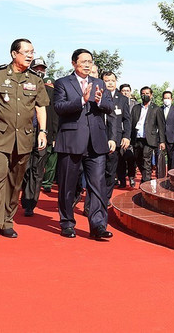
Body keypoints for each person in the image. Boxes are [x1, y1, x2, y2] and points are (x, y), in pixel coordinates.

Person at [0, 39, 48, 242]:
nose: (30, 55)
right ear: (14, 54)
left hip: (23, 137)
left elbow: (41, 107)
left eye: (32, 52)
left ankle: (7, 221)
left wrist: (43, 131)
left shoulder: (35, 79)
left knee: (15, 182)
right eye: (26, 52)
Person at [53, 48, 114, 240]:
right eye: (83, 61)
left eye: (90, 61)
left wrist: (99, 101)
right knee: (67, 185)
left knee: (98, 186)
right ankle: (67, 223)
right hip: (71, 141)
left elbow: (110, 107)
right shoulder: (62, 83)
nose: (87, 65)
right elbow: (59, 107)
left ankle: (98, 226)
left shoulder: (99, 83)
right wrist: (82, 100)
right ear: (73, 63)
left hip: (96, 142)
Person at [20, 57, 59, 216]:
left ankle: (30, 203)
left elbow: (55, 116)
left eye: (42, 69)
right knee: (24, 169)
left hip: (43, 135)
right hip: (24, 135)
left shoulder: (52, 92)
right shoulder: (23, 87)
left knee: (37, 171)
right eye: (37, 69)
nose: (40, 72)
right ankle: (23, 194)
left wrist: (54, 135)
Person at [101, 71, 131, 205]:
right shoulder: (98, 95)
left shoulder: (123, 99)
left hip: (116, 139)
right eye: (107, 80)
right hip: (99, 137)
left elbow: (127, 120)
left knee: (111, 170)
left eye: (112, 80)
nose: (110, 83)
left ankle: (106, 197)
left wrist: (126, 136)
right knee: (98, 169)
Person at [130, 86, 164, 183]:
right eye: (143, 94)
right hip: (137, 138)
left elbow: (161, 126)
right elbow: (132, 123)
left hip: (149, 139)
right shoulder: (136, 108)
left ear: (151, 95)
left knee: (146, 159)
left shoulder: (156, 109)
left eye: (147, 94)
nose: (145, 95)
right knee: (138, 159)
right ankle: (145, 176)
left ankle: (146, 181)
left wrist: (162, 141)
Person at [116, 83, 136, 187]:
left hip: (132, 135)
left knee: (131, 158)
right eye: (123, 91)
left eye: (127, 91)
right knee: (120, 158)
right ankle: (121, 179)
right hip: (119, 134)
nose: (125, 92)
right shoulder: (117, 102)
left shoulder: (135, 105)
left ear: (130, 92)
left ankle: (132, 177)